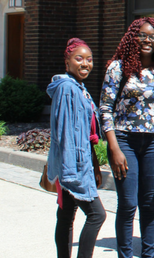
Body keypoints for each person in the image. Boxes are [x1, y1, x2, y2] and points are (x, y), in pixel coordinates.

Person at [99, 17, 154, 258]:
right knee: (127, 204)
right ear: (133, 37)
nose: (147, 40)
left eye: (152, 36)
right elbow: (105, 109)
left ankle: (148, 254)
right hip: (125, 140)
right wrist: (113, 148)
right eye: (142, 35)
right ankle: (125, 255)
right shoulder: (118, 68)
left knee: (149, 204)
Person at [49, 38, 106, 258]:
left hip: (80, 163)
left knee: (66, 215)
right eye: (79, 58)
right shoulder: (66, 88)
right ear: (67, 63)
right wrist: (71, 172)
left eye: (89, 59)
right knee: (97, 215)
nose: (85, 63)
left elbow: (86, 134)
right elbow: (65, 134)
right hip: (72, 165)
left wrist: (94, 166)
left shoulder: (78, 87)